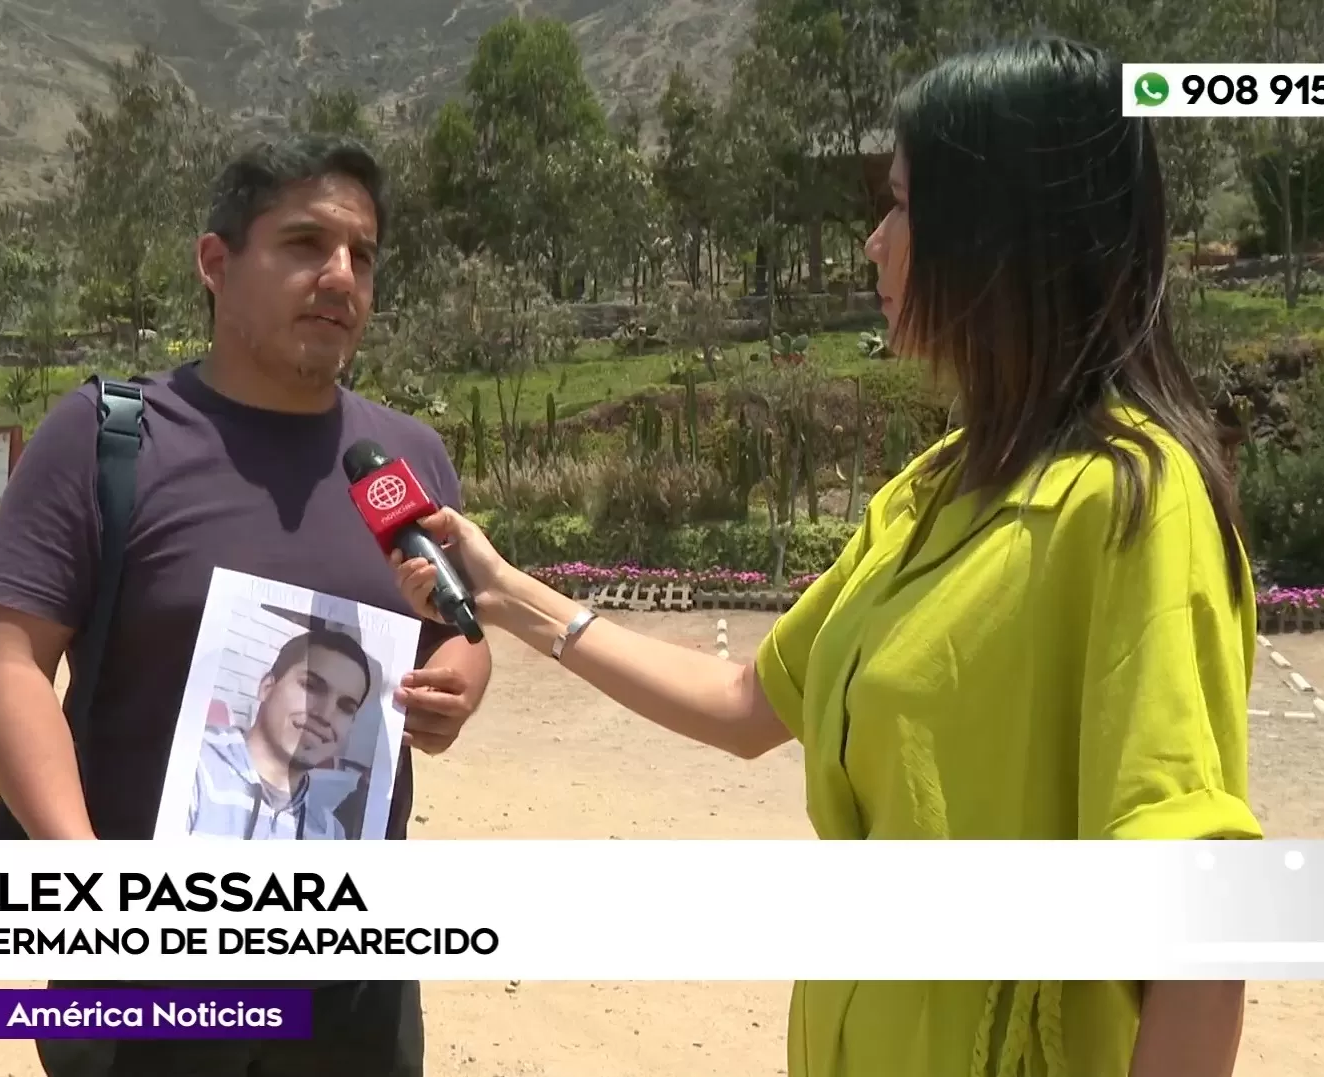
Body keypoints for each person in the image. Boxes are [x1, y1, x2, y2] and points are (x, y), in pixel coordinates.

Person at [388, 38, 1262, 1077]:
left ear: (1001, 234)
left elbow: (1198, 931)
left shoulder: (1131, 503)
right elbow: (746, 704)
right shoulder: (932, 491)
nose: (871, 244)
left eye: (900, 207)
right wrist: (506, 592)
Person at [0, 133, 491, 1077]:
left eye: (361, 256)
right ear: (216, 263)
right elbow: (9, 661)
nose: (340, 277)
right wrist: (83, 872)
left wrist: (458, 675)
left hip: (355, 973)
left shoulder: (404, 460)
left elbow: (458, 626)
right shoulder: (106, 439)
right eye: (304, 245)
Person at [189, 627, 374, 840]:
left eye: (345, 707)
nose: (325, 715)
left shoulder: (330, 835)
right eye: (311, 686)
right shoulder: (192, 764)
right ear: (267, 687)